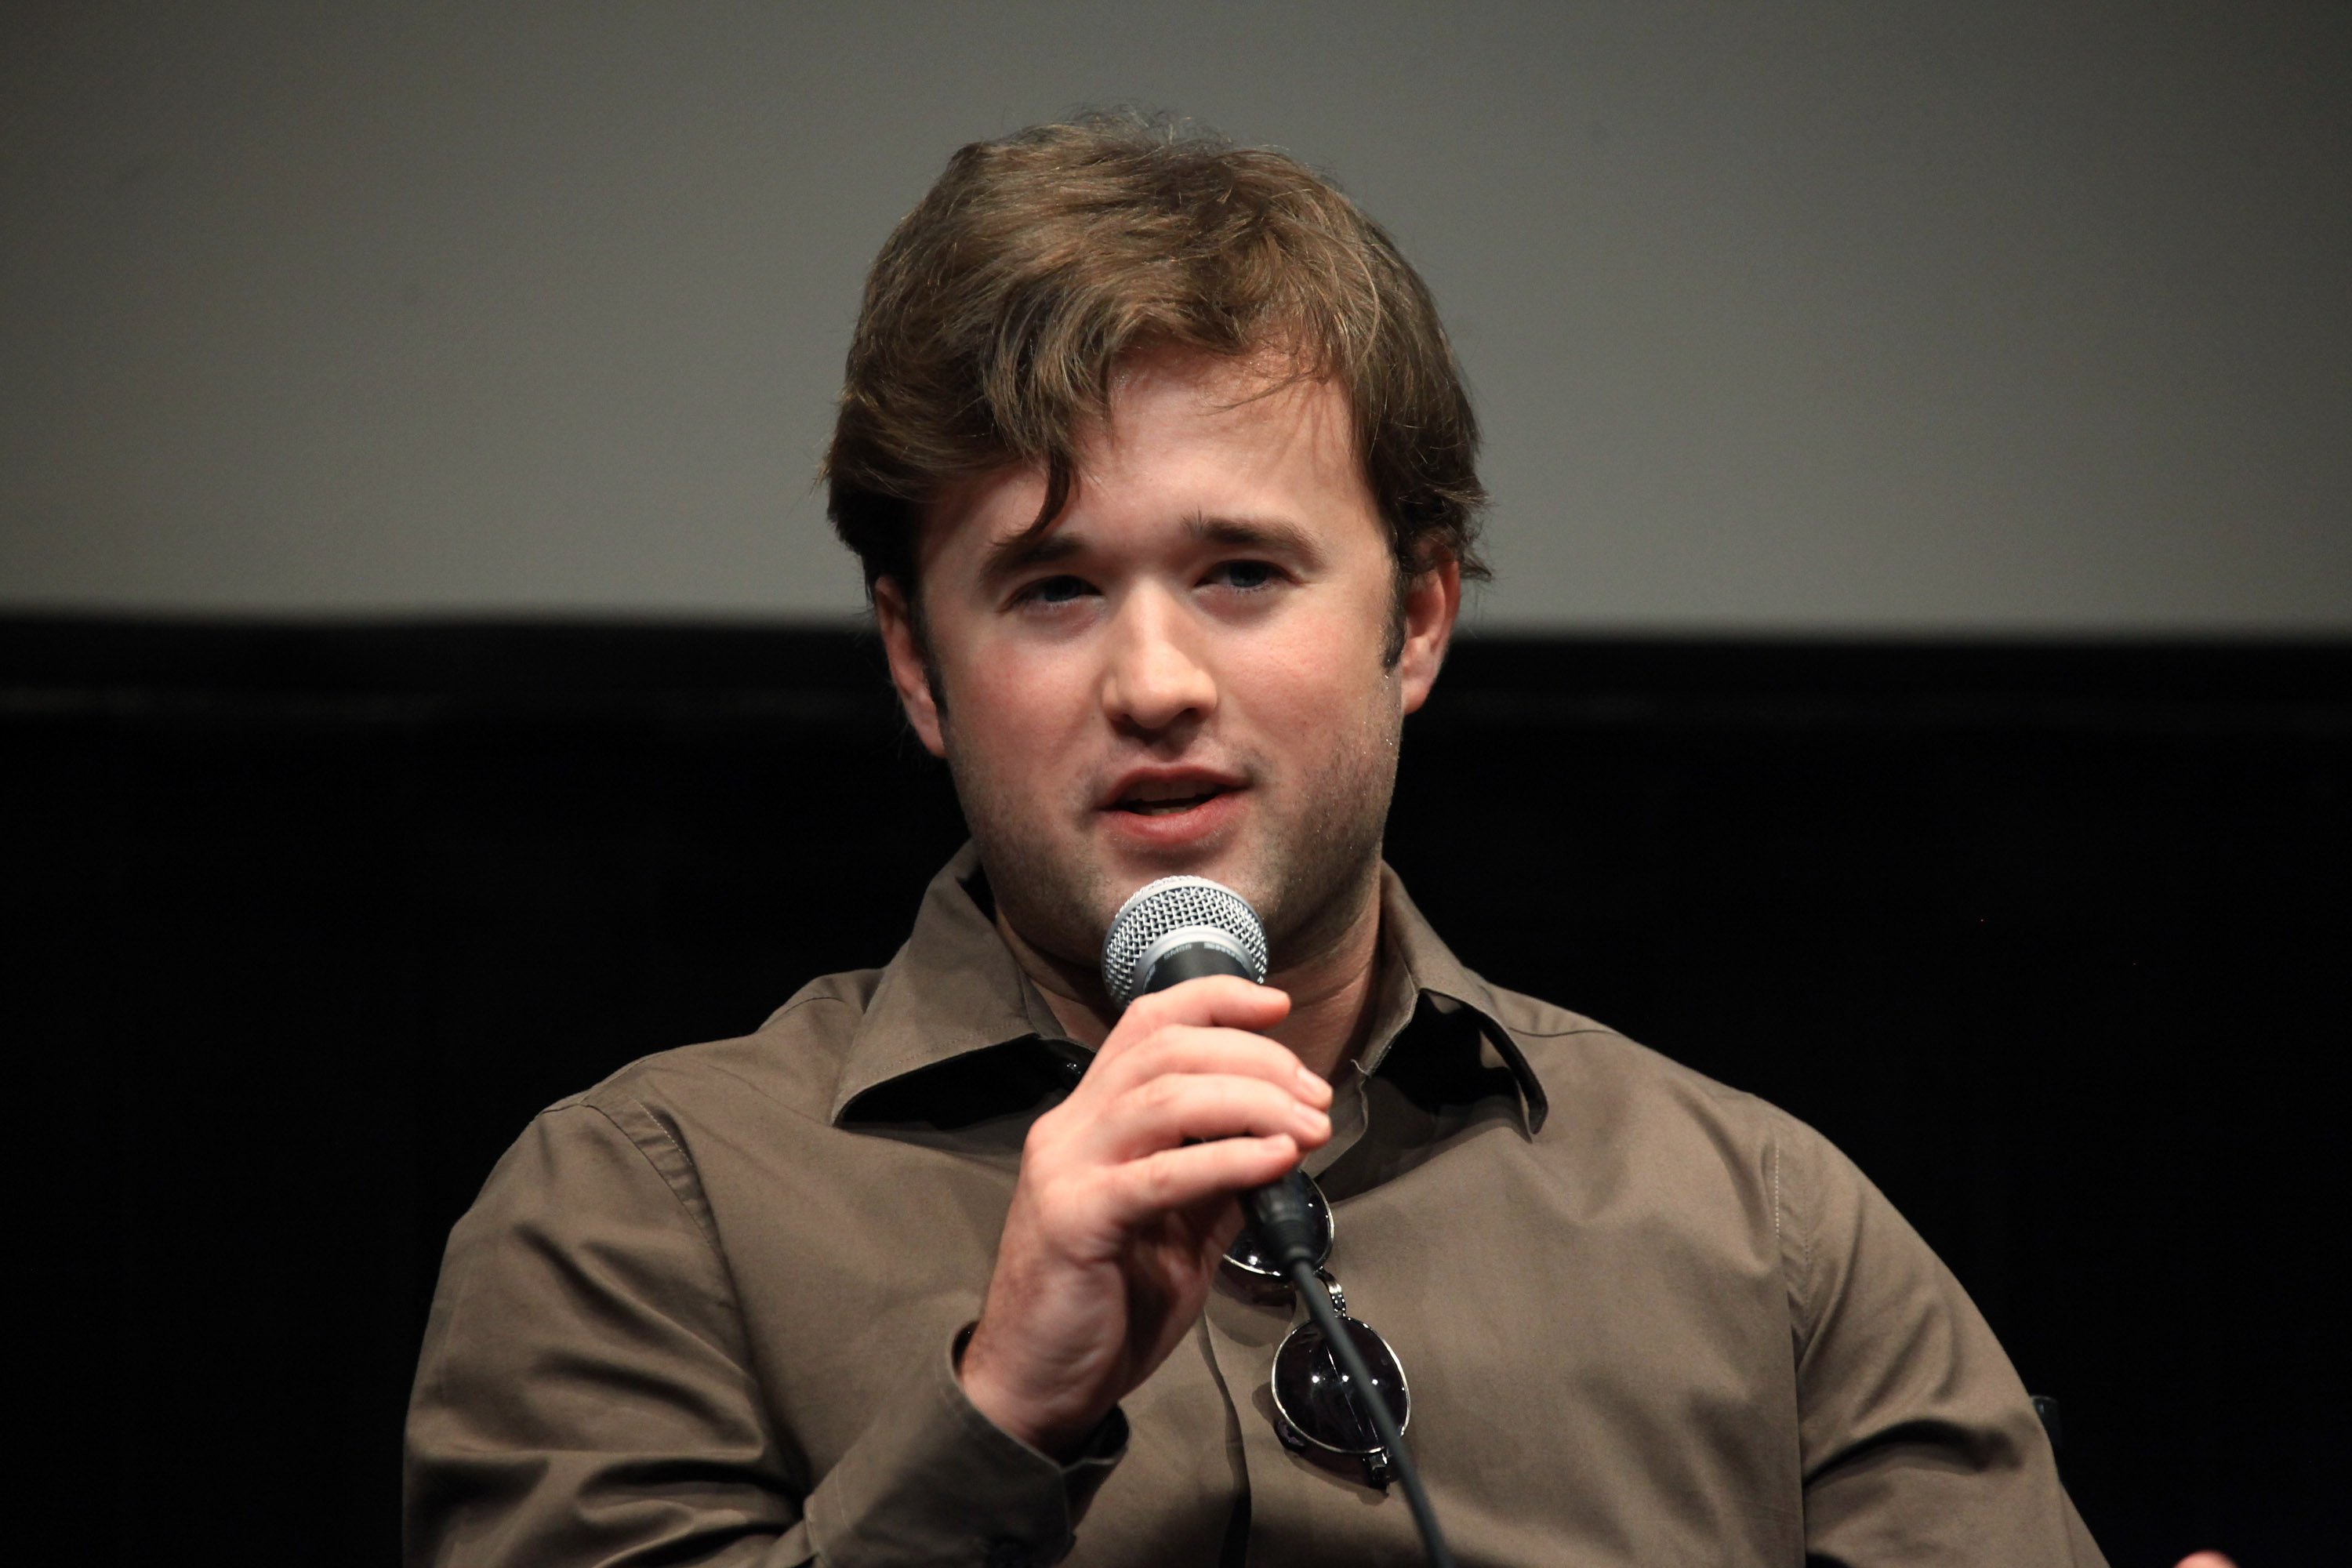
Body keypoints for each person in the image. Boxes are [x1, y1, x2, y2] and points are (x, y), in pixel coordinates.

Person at [406, 114, 2122, 1566]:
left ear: (1422, 618)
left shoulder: (1764, 1229)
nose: (1155, 682)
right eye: (1054, 589)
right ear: (918, 664)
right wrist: (1001, 1410)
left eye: (1243, 573)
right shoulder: (644, 1211)